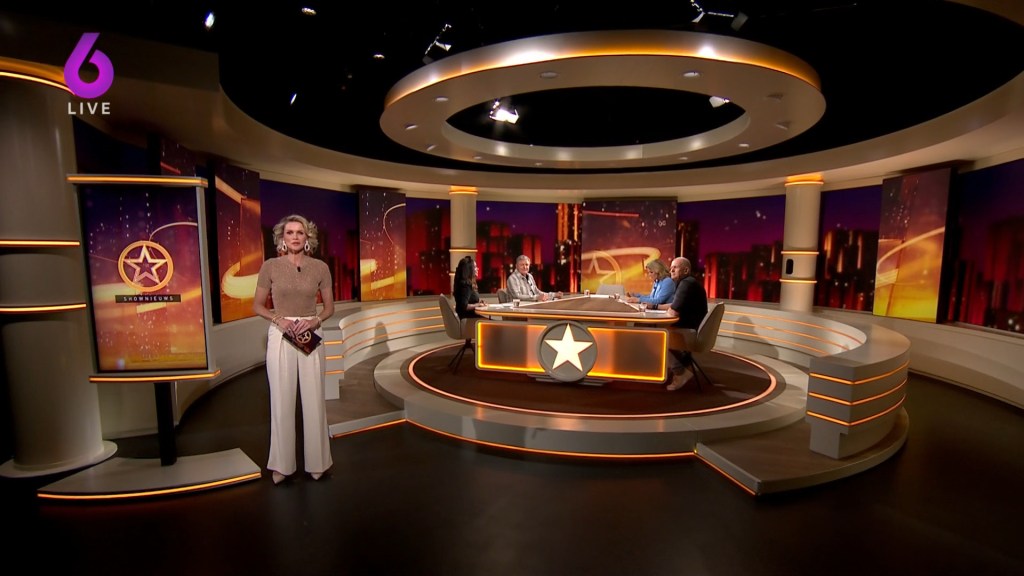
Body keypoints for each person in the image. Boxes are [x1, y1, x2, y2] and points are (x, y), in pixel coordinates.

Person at [253, 214, 335, 484]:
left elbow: (329, 308)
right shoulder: (270, 266)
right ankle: (282, 465)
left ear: (307, 237)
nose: (295, 237)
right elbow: (257, 305)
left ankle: (318, 462)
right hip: (281, 332)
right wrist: (279, 320)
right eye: (290, 232)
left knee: (314, 399)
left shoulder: (320, 268)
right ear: (282, 238)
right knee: (281, 400)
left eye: (300, 232)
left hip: (310, 331)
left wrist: (314, 321)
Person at [655, 256, 708, 391]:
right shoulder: (688, 283)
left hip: (688, 333)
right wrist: (653, 307)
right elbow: (673, 305)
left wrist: (664, 309)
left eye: (675, 267)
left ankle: (680, 372)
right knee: (655, 329)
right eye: (671, 267)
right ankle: (682, 365)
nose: (671, 270)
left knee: (655, 335)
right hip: (691, 329)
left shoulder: (686, 284)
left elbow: (673, 312)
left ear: (685, 270)